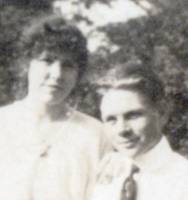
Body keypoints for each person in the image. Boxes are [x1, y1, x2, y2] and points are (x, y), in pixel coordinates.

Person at [0, 15, 106, 200]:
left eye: (68, 65)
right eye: (47, 61)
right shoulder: (4, 123)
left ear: (78, 74)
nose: (57, 74)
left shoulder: (96, 134)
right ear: (27, 64)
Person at [92, 61, 188, 200]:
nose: (122, 130)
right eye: (111, 119)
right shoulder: (106, 175)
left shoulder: (183, 180)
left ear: (162, 113)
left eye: (133, 115)